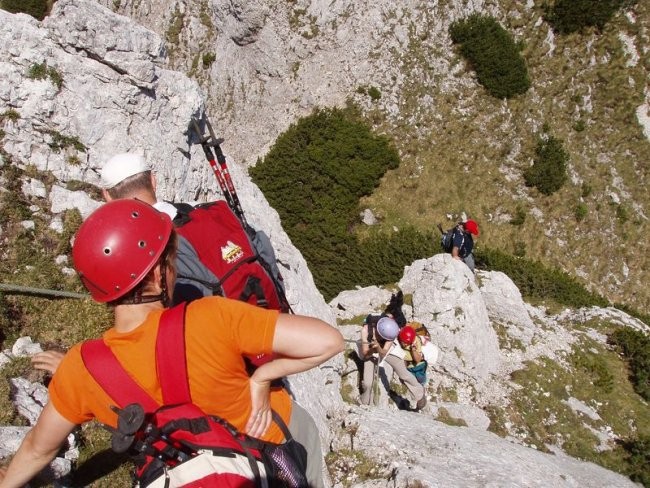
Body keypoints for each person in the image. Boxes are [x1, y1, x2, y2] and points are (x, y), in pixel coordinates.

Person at [1, 199, 344, 488]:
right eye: (172, 256)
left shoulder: (82, 368)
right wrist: (262, 377)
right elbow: (328, 341)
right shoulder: (210, 317)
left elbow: (37, 449)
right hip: (271, 451)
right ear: (155, 274)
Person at [31, 152, 283, 374]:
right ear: (153, 180)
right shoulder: (213, 213)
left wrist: (75, 369)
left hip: (223, 369)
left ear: (107, 196)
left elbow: (143, 344)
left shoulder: (150, 255)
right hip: (271, 341)